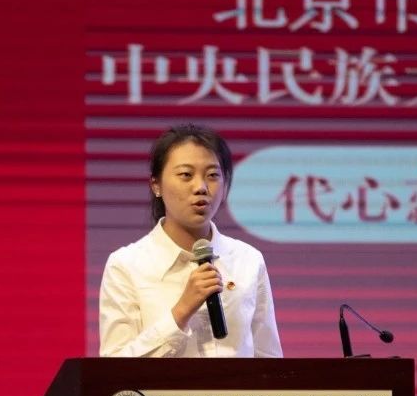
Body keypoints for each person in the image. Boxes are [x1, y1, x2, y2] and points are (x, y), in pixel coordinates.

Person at [99, 124, 282, 358]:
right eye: (186, 175)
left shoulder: (248, 260)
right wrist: (181, 311)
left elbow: (268, 358)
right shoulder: (125, 265)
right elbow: (113, 368)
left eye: (213, 175)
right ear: (156, 185)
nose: (201, 187)